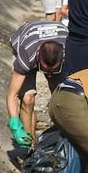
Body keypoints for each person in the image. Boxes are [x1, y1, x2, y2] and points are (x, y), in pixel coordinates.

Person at [5, 18, 68, 147]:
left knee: (62, 98)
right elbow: (12, 95)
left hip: (59, 34)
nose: (49, 74)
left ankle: (63, 141)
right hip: (26, 36)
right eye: (46, 70)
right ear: (38, 56)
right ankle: (31, 147)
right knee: (28, 99)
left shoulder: (70, 50)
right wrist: (15, 125)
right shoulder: (27, 53)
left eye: (54, 70)